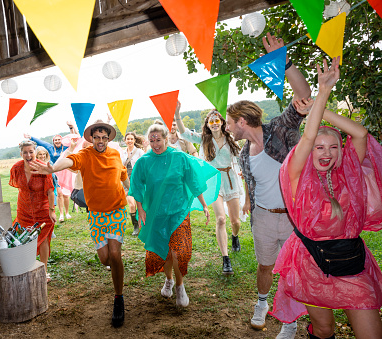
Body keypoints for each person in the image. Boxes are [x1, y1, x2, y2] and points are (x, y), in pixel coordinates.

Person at [271, 57, 382, 339]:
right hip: (310, 261)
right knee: (323, 328)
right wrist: (321, 95)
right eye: (319, 147)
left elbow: (360, 133)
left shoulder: (348, 173)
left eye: (333, 147)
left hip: (351, 261)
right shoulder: (297, 174)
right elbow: (306, 139)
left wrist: (321, 112)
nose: (326, 153)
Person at [224, 32, 311, 338]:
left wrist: (285, 63)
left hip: (291, 216)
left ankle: (289, 322)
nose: (226, 127)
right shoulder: (244, 153)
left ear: (241, 121)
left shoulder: (280, 128)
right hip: (262, 216)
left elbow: (305, 97)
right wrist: (248, 200)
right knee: (265, 267)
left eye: (228, 121)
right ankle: (261, 303)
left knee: (290, 270)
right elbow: (253, 181)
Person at [33, 120, 130, 328]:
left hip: (117, 210)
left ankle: (118, 298)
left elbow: (123, 175)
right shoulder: (85, 156)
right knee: (105, 260)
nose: (101, 141)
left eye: (105, 138)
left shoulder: (115, 154)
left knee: (115, 254)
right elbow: (67, 161)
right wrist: (52, 169)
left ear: (108, 139)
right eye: (97, 138)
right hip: (96, 214)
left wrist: (131, 193)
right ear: (92, 139)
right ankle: (117, 272)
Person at [129, 123, 219, 307]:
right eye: (152, 140)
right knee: (165, 252)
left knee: (179, 251)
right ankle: (168, 280)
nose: (155, 143)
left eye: (158, 140)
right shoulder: (143, 162)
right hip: (157, 213)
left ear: (166, 139)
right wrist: (140, 209)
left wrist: (204, 205)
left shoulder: (179, 158)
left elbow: (193, 181)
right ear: (148, 141)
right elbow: (137, 187)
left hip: (178, 212)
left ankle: (180, 286)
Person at [175, 103, 242, 276]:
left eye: (217, 120)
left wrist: (244, 171)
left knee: (235, 222)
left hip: (230, 180)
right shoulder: (204, 139)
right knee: (220, 219)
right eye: (210, 121)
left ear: (222, 122)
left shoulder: (231, 139)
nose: (214, 123)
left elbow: (241, 157)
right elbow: (185, 134)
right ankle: (225, 259)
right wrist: (177, 114)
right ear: (207, 124)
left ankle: (235, 236)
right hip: (213, 181)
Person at [10, 140, 57, 282]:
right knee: (23, 239)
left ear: (35, 152)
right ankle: (27, 268)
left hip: (42, 209)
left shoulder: (43, 167)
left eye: (31, 151)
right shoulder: (16, 168)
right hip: (24, 209)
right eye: (25, 152)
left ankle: (44, 271)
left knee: (43, 240)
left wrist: (52, 210)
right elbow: (19, 187)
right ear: (21, 154)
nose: (28, 155)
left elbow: (50, 192)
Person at [25, 120, 76, 222]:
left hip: (65, 172)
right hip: (54, 172)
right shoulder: (49, 147)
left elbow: (74, 139)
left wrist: (71, 127)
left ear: (61, 140)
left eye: (59, 139)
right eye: (55, 140)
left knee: (66, 195)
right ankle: (61, 214)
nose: (57, 141)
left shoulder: (65, 147)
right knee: (59, 193)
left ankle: (67, 212)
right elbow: (40, 142)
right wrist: (30, 137)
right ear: (53, 141)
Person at [120, 131, 145, 236]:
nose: (129, 141)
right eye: (128, 139)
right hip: (126, 181)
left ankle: (144, 223)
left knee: (142, 203)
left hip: (138, 180)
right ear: (125, 140)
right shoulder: (122, 152)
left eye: (131, 139)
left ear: (134, 140)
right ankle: (135, 226)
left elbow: (145, 164)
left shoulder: (139, 152)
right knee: (131, 203)